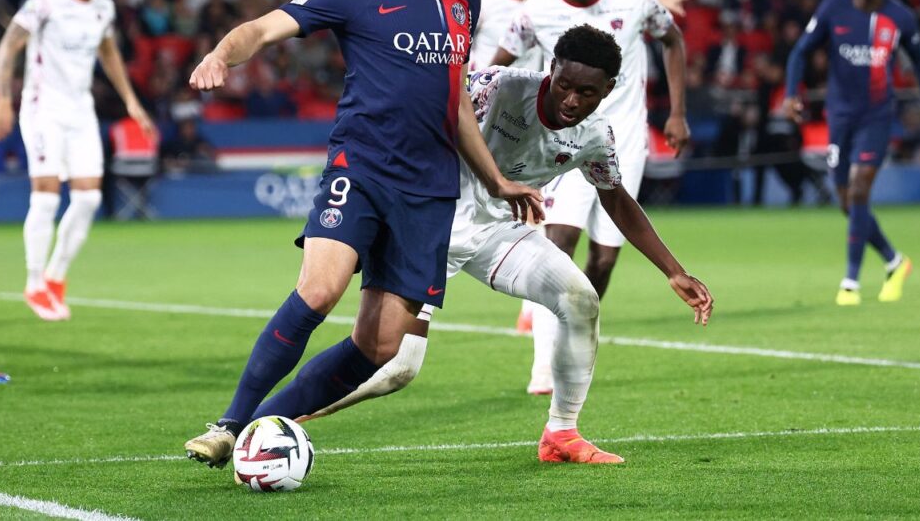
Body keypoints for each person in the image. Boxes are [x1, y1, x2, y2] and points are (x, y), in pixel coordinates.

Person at [183, 0, 542, 469]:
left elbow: (454, 102)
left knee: (379, 345)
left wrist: (496, 180)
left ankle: (268, 425)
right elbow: (262, 29)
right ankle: (230, 423)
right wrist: (222, 53)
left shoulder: (463, 0)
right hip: (362, 165)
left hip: (429, 188)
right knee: (321, 288)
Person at [243, 26, 713, 465]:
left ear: (608, 89)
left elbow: (617, 199)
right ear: (552, 69)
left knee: (579, 297)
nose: (571, 99)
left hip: (494, 232)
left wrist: (673, 269)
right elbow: (423, 121)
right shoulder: (498, 87)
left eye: (586, 92)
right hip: (427, 225)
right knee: (395, 367)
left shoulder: (594, 136)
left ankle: (561, 435)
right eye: (565, 83)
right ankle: (266, 418)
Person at [491, 0, 691, 394]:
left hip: (622, 143)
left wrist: (678, 111)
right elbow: (494, 69)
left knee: (602, 261)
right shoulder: (534, 12)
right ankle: (544, 365)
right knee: (557, 245)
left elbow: (673, 40)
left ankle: (568, 334)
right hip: (562, 141)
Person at [0, 0, 155, 322]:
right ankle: (33, 283)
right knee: (46, 199)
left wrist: (130, 100)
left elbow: (108, 53)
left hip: (81, 111)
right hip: (42, 109)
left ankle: (56, 277)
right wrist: (3, 98)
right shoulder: (44, 3)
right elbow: (7, 47)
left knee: (88, 200)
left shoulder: (103, 8)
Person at [783, 0, 920, 306]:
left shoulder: (899, 16)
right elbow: (800, 52)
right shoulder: (832, 9)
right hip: (840, 117)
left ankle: (850, 281)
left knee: (858, 191)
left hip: (877, 116)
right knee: (845, 201)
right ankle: (895, 261)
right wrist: (792, 93)